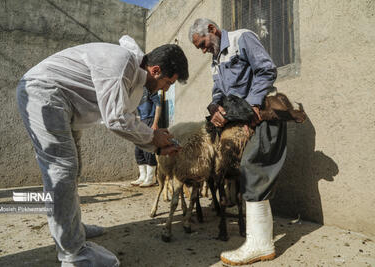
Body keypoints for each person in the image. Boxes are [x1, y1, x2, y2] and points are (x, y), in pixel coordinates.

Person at [16, 35, 188, 267]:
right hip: (44, 93)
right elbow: (115, 118)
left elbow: (127, 117)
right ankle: (73, 254)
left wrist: (156, 143)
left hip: (67, 106)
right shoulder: (122, 63)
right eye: (168, 82)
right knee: (62, 171)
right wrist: (153, 138)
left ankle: (73, 229)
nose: (165, 89)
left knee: (72, 170)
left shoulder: (134, 78)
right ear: (156, 70)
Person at [189, 18, 287, 266]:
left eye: (202, 44)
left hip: (261, 115)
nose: (202, 50)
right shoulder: (216, 60)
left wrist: (253, 103)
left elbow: (266, 69)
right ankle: (260, 242)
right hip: (241, 121)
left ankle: (260, 244)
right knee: (248, 172)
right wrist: (214, 108)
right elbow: (218, 91)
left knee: (253, 169)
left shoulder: (241, 38)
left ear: (212, 30)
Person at [131, 87, 162, 187]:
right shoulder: (136, 92)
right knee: (138, 150)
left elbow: (158, 106)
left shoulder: (150, 89)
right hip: (141, 121)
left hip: (150, 120)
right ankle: (142, 176)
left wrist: (155, 123)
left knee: (148, 150)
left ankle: (150, 178)